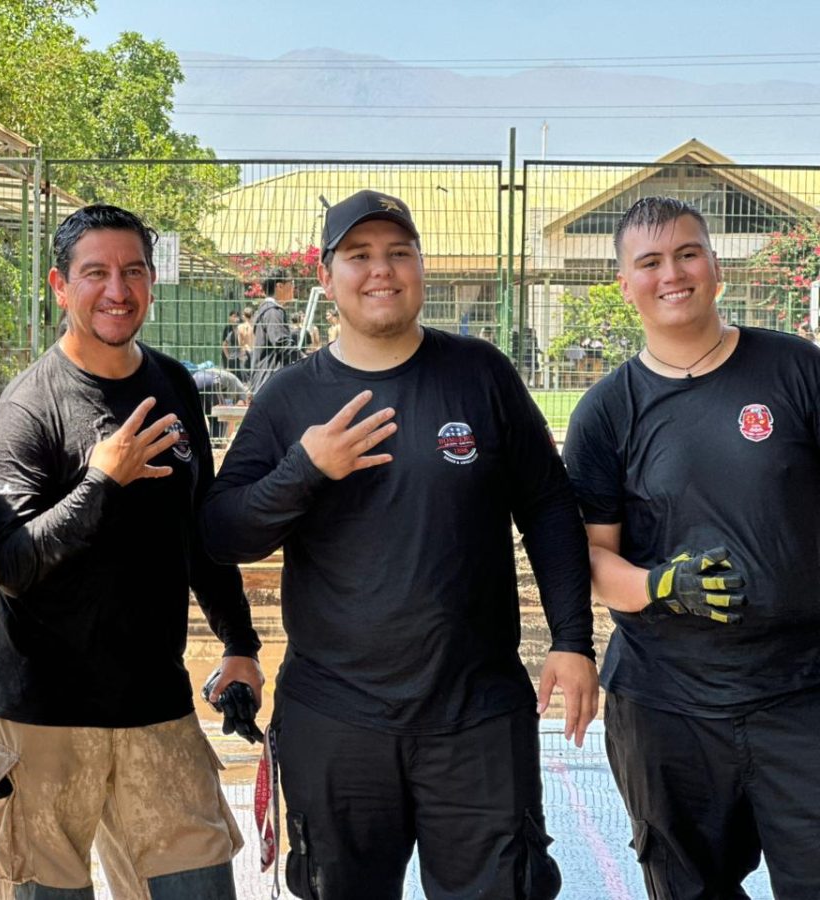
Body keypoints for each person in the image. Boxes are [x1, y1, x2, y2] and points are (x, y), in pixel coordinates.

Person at [202, 189, 597, 900]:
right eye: (359, 256)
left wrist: (572, 640)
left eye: (398, 253)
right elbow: (224, 532)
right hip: (336, 718)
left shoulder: (479, 374)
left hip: (474, 714)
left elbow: (547, 506)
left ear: (420, 267)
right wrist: (304, 471)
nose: (380, 271)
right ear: (327, 278)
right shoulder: (292, 398)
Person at [0, 204, 262, 900]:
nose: (117, 290)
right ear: (59, 286)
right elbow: (10, 567)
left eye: (133, 272)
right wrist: (101, 481)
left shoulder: (174, 385)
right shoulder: (28, 407)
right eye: (95, 273)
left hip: (155, 706)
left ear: (152, 282)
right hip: (45, 720)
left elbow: (201, 531)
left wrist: (239, 642)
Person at [562, 195, 820, 900]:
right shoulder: (608, 411)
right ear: (625, 285)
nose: (671, 273)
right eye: (649, 262)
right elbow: (591, 557)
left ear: (714, 267)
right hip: (666, 704)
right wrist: (660, 586)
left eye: (687, 253)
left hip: (800, 693)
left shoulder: (797, 372)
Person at [248, 268, 302, 395]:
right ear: (279, 286)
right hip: (270, 382)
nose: (293, 287)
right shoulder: (273, 311)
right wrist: (306, 360)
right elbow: (282, 343)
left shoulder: (265, 310)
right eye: (291, 283)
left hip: (265, 380)